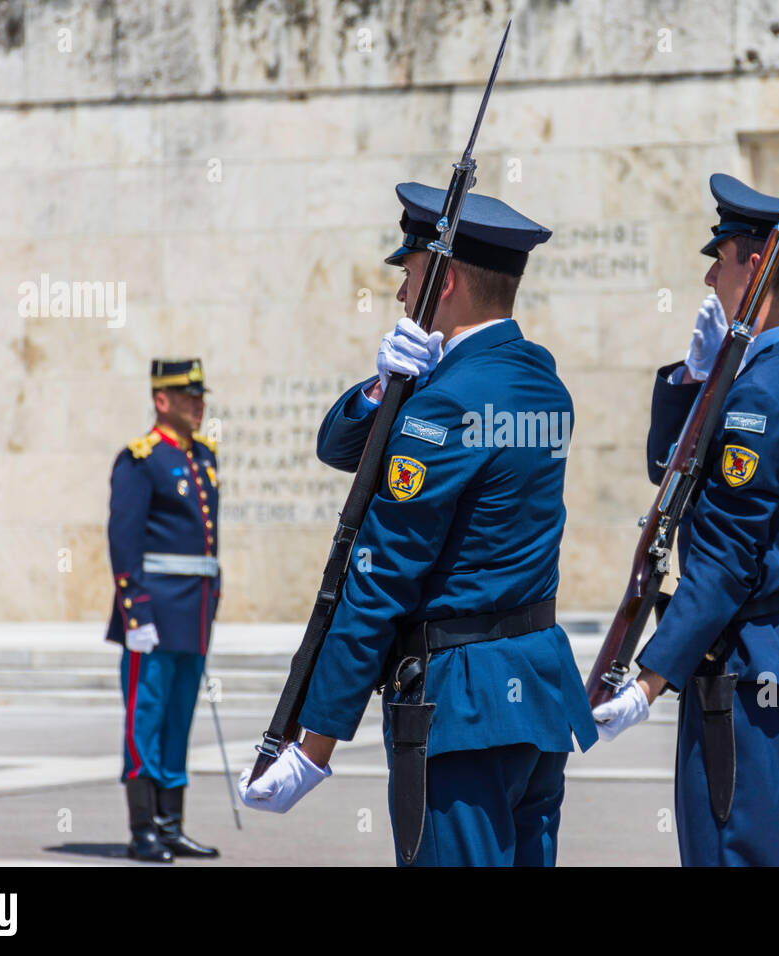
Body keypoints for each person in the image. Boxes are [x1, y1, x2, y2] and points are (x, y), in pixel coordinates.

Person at [237, 182, 596, 866]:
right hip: (535, 696)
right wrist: (383, 390)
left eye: (410, 275)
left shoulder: (444, 407)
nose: (402, 295)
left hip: (460, 709)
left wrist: (314, 745)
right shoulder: (541, 383)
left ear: (447, 279)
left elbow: (380, 578)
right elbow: (344, 449)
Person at [591, 174, 779, 865]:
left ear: (759, 264)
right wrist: (696, 377)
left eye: (724, 255)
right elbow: (669, 467)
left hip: (745, 667)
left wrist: (648, 678)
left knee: (731, 853)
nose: (710, 275)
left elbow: (726, 560)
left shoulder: (760, 397)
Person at [107, 358, 222, 863]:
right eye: (188, 397)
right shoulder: (141, 460)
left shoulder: (204, 457)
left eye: (201, 397)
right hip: (153, 614)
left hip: (193, 615)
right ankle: (143, 830)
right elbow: (123, 540)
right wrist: (135, 613)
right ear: (162, 401)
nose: (199, 405)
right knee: (145, 719)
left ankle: (171, 825)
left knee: (179, 720)